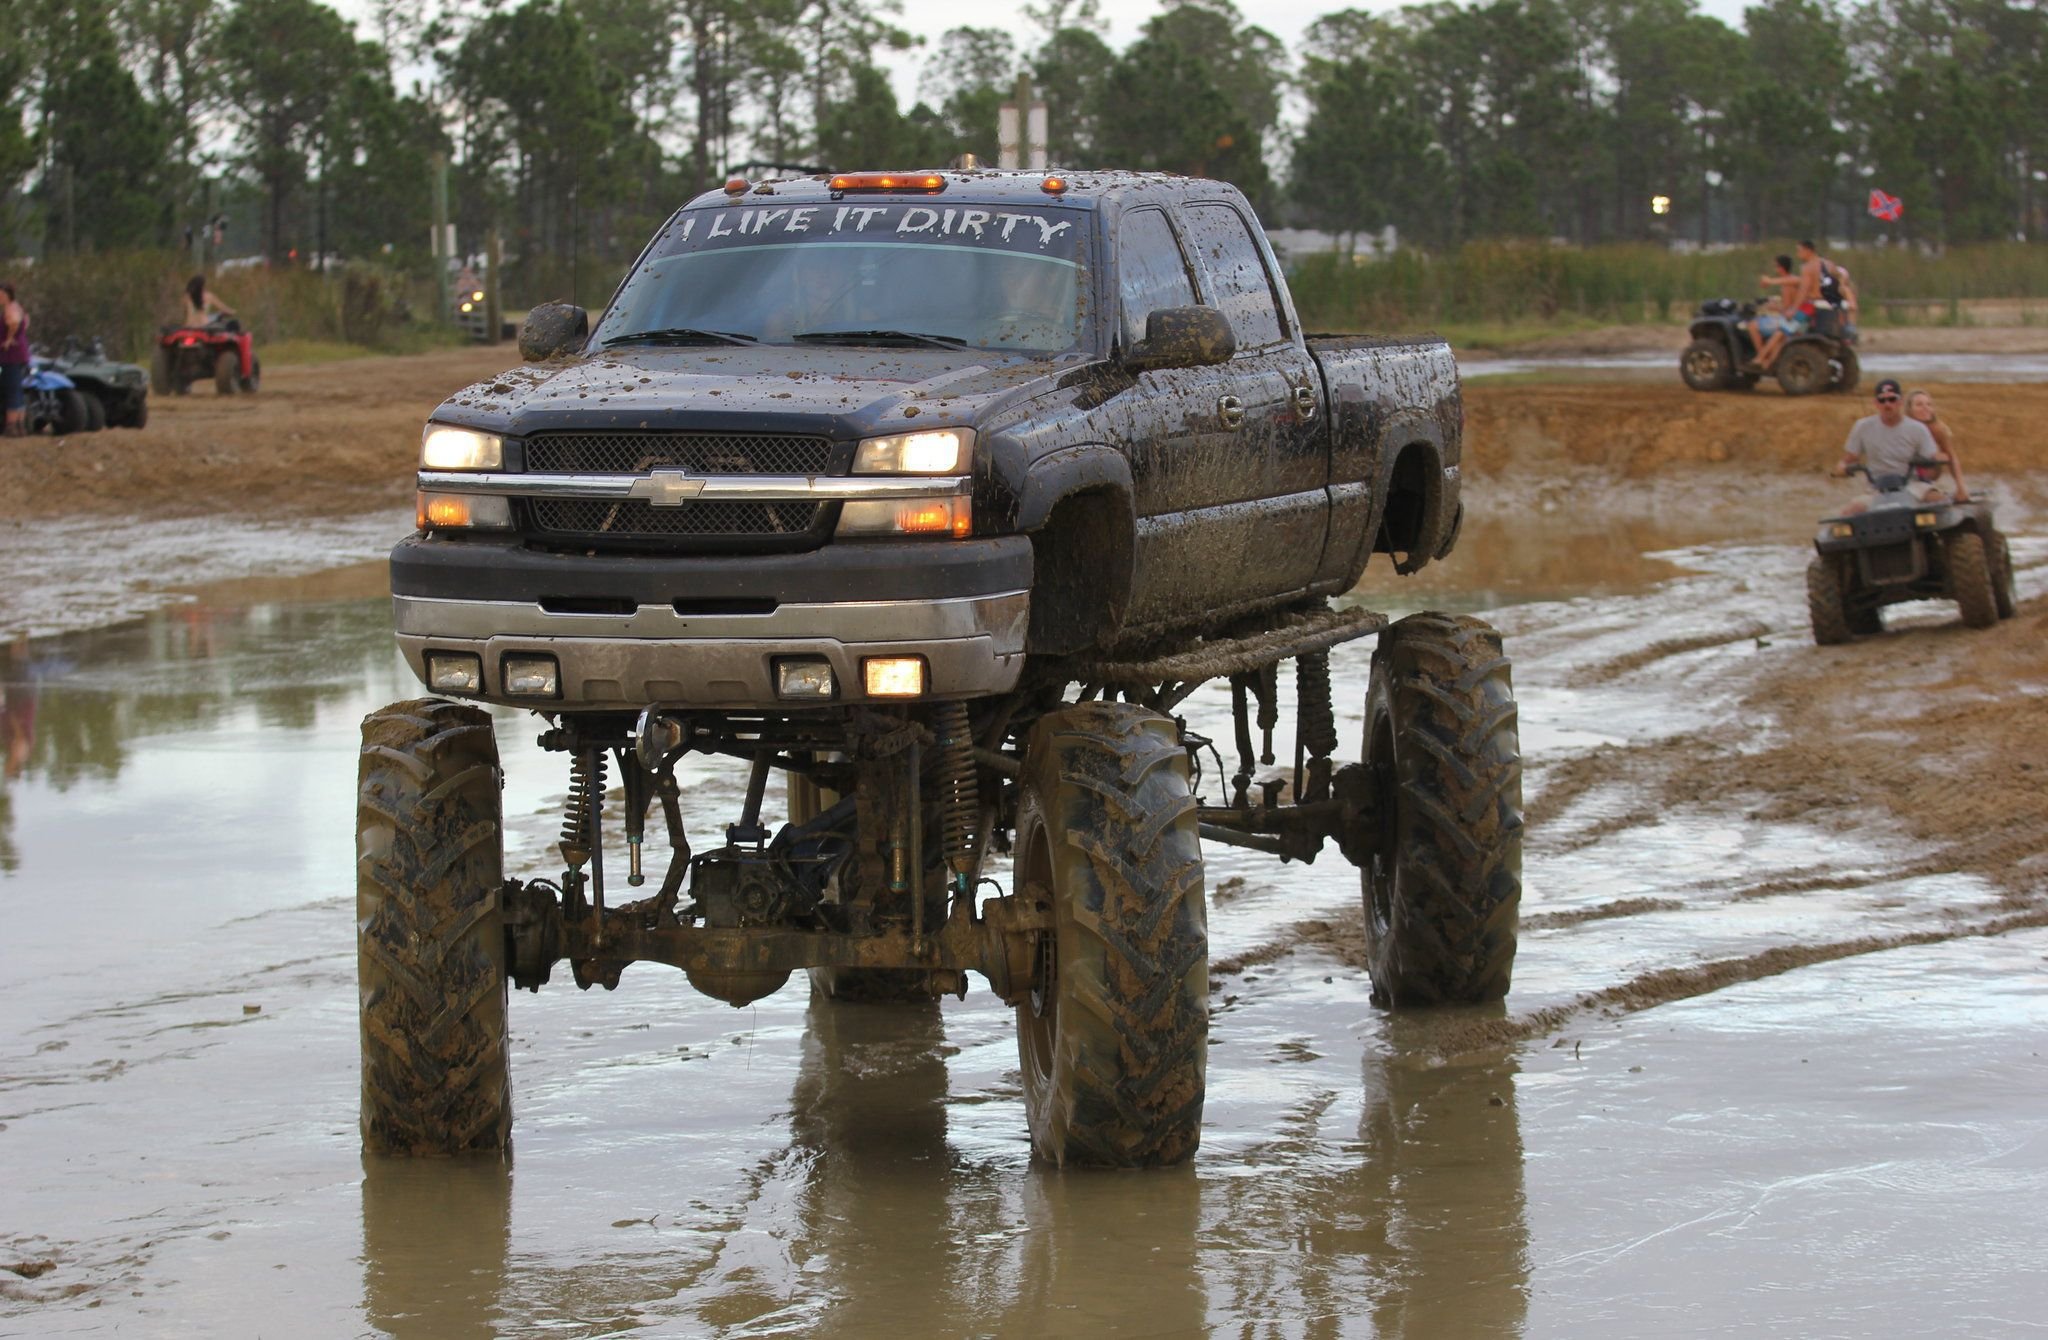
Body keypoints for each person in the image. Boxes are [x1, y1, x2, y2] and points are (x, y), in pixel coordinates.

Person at [1831, 377, 1945, 513]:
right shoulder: (1862, 427)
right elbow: (1850, 458)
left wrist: (1937, 464)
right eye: (1882, 400)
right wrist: (1842, 467)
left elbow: (1932, 467)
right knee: (1848, 514)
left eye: (1892, 399)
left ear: (1900, 402)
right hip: (1876, 489)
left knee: (1941, 503)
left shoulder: (1918, 429)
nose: (1887, 404)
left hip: (1913, 485)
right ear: (1876, 403)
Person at [1906, 389, 1969, 501]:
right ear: (1910, 410)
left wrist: (1961, 487)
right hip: (1904, 479)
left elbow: (1952, 458)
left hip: (1925, 480)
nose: (1925, 408)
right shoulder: (1903, 428)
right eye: (1919, 405)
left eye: (1929, 404)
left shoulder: (1938, 429)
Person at [1750, 254, 1802, 371]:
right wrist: (1774, 305)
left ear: (1781, 268)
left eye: (1776, 266)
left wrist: (1770, 282)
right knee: (1778, 338)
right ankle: (1765, 359)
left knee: (1752, 325)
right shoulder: (1788, 283)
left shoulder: (1790, 282)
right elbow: (1788, 306)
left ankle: (1761, 357)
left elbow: (1788, 308)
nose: (1775, 269)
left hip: (1791, 320)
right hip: (1790, 319)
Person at [1, 282, 28, 438]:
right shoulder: (17, 306)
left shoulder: (10, 308)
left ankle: (11, 426)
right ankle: (20, 425)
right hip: (20, 353)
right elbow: (25, 321)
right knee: (17, 390)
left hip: (10, 354)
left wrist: (9, 338)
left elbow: (14, 322)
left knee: (11, 389)